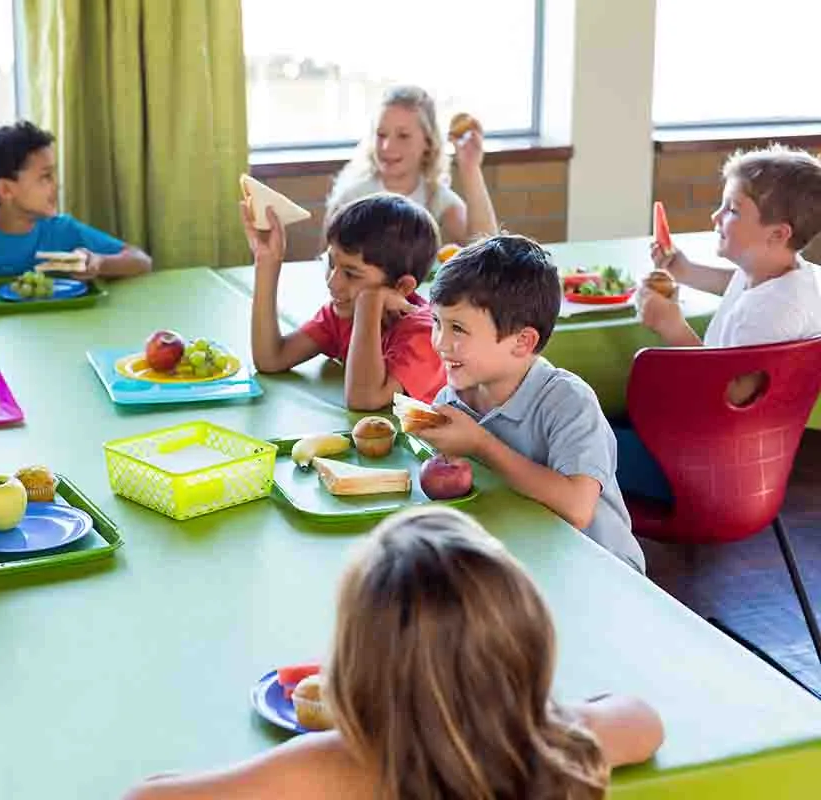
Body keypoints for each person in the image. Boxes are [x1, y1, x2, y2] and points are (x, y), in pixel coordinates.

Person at [124, 506, 663, 800]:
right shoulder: (559, 747)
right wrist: (545, 713)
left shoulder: (334, 768)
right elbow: (643, 721)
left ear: (355, 670)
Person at [410, 235, 645, 572]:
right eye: (436, 323)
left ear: (522, 342)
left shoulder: (568, 401)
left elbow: (577, 508)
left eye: (457, 329)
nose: (440, 343)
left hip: (601, 570)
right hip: (524, 562)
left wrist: (480, 443)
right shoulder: (453, 400)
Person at [622, 146, 821, 500]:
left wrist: (675, 330)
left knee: (576, 442)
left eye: (732, 209)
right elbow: (738, 284)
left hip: (704, 471)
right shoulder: (793, 278)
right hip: (745, 462)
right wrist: (685, 271)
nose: (715, 217)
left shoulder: (772, 313)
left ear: (777, 234)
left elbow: (730, 397)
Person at [0, 121, 152, 332]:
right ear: (5, 190)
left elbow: (141, 260)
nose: (56, 185)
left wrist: (101, 263)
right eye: (45, 177)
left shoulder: (63, 230)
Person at [247, 193, 445, 410]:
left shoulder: (425, 334)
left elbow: (364, 399)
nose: (333, 283)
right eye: (331, 264)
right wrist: (267, 261)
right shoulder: (342, 315)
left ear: (402, 287)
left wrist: (369, 303)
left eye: (351, 274)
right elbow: (271, 359)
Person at [326, 85, 498, 246]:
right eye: (381, 134)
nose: (387, 146)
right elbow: (328, 265)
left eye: (403, 136)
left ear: (428, 142)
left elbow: (487, 253)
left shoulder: (436, 199)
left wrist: (470, 168)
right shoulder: (350, 198)